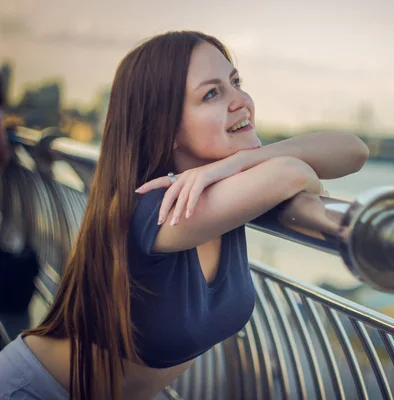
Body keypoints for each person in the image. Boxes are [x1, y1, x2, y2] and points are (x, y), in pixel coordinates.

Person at [0, 31, 369, 399]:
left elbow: (354, 150)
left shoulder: (229, 186)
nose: (240, 100)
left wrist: (241, 161)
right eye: (212, 93)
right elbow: (292, 172)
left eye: (235, 81)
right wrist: (257, 165)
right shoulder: (156, 206)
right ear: (166, 126)